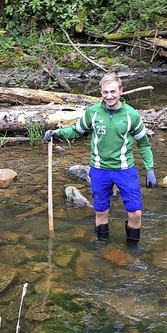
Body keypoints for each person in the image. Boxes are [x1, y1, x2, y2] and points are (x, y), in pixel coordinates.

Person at [44, 73, 156, 246]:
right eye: (105, 92)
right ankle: (103, 243)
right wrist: (57, 133)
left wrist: (150, 169)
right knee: (101, 211)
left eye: (113, 91)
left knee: (135, 213)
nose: (109, 96)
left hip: (125, 170)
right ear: (101, 92)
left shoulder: (131, 115)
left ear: (121, 90)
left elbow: (144, 144)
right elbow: (77, 130)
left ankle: (133, 247)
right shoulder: (93, 113)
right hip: (99, 170)